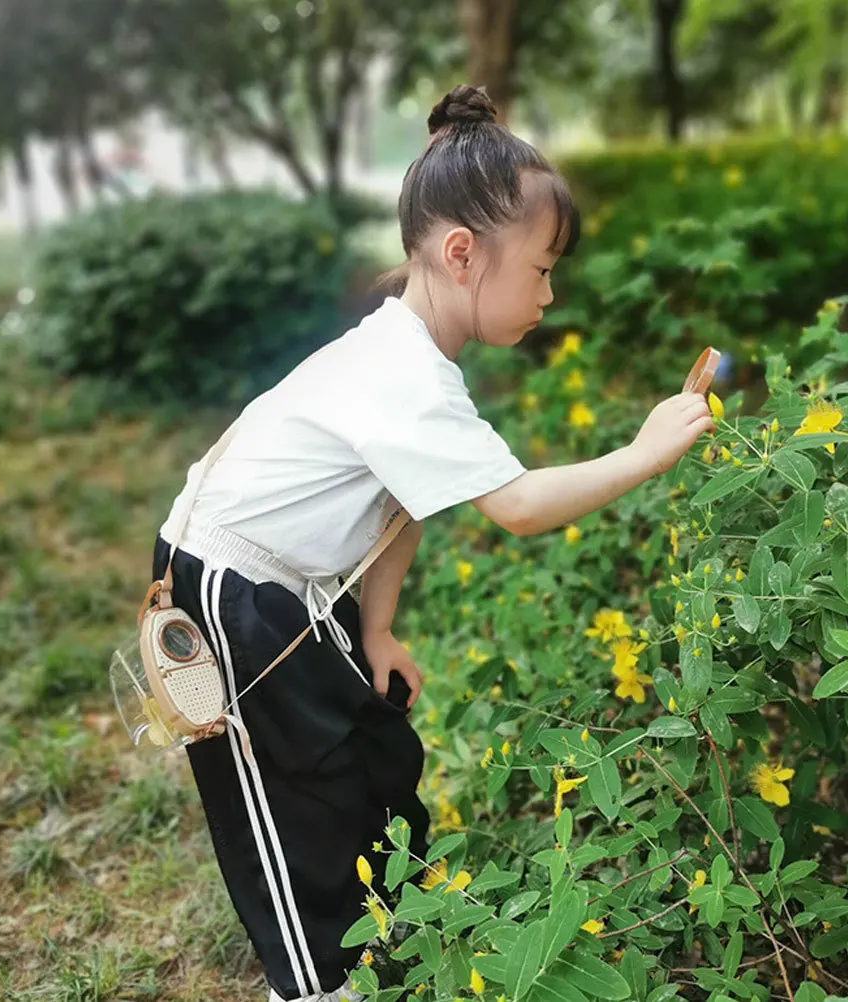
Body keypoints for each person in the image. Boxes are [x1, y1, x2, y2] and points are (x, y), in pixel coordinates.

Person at [150, 84, 715, 1002]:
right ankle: (323, 983)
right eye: (540, 269)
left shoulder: (415, 356)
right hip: (229, 596)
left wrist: (378, 632)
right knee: (298, 817)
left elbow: (399, 507)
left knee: (370, 759)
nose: (550, 290)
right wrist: (645, 454)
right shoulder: (404, 372)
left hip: (292, 588)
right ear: (463, 255)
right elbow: (520, 506)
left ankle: (399, 951)